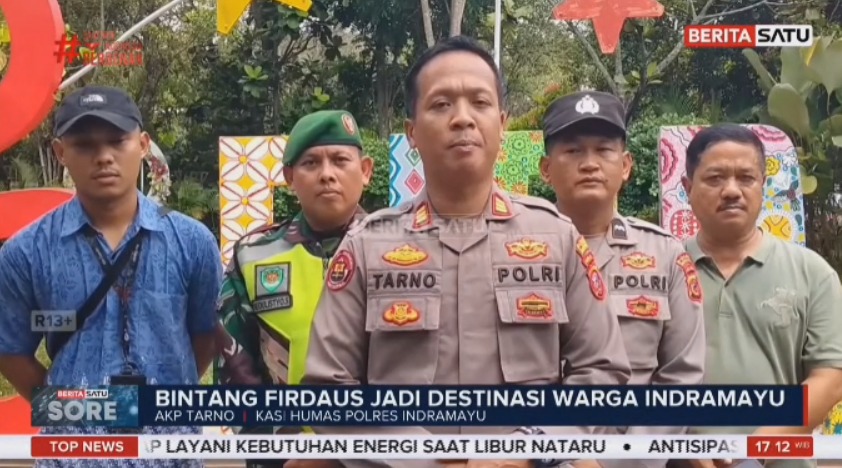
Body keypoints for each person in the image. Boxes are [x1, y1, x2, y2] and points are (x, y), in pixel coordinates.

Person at [301, 36, 631, 468]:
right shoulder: (368, 245)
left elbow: (603, 373)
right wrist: (430, 459)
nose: (462, 118)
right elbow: (328, 389)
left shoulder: (557, 238)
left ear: (502, 123)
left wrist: (525, 451)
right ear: (412, 133)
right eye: (441, 105)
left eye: (480, 102)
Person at [0, 85, 221, 468]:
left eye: (117, 141)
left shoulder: (192, 242)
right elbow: (10, 349)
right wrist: (67, 409)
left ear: (143, 145)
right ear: (60, 152)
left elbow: (205, 335)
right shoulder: (26, 251)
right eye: (84, 144)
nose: (103, 156)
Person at [539, 91, 705, 468]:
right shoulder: (514, 250)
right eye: (573, 151)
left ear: (626, 165)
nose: (589, 164)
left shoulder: (665, 255)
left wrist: (620, 461)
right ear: (546, 169)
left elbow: (682, 377)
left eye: (603, 150)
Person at [214, 110, 373, 468]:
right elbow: (234, 365)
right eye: (310, 163)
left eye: (340, 160)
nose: (327, 174)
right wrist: (281, 448)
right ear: (289, 177)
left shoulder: (398, 250)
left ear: (365, 171)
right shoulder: (254, 255)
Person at [681, 124, 842, 468]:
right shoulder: (664, 272)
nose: (731, 191)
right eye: (715, 178)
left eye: (746, 178)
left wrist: (757, 449)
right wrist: (686, 443)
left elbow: (830, 379)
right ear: (687, 187)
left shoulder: (812, 273)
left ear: (763, 186)